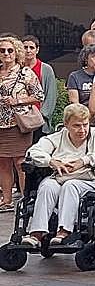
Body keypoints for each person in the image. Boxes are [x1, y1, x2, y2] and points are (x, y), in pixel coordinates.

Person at [23, 103, 95, 244]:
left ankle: (64, 231)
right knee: (47, 186)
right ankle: (37, 233)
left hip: (91, 179)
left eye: (85, 125)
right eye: (76, 126)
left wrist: (84, 161)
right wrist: (51, 162)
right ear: (66, 125)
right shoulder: (57, 137)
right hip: (61, 177)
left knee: (70, 186)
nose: (82, 130)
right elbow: (33, 152)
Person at [0, 35, 46, 212]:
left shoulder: (25, 72)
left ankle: (26, 199)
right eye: (2, 50)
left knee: (20, 162)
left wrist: (17, 100)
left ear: (16, 52)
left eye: (10, 50)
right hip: (1, 125)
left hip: (18, 124)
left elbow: (39, 95)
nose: (6, 53)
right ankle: (7, 200)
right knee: (3, 162)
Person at [21, 36, 57, 136]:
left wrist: (42, 115)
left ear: (37, 50)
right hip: (20, 119)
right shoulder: (17, 68)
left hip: (39, 119)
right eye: (25, 47)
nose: (28, 50)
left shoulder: (46, 69)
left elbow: (51, 95)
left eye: (31, 47)